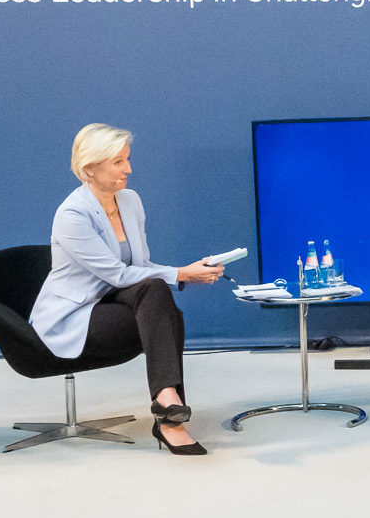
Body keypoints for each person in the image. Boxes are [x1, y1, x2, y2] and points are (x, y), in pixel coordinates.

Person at [32, 123, 228, 456]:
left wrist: (183, 273)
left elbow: (142, 265)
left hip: (115, 297)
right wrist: (183, 274)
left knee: (156, 291)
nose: (129, 169)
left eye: (127, 159)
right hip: (77, 312)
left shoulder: (130, 201)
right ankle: (170, 419)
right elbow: (117, 273)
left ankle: (168, 404)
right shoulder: (72, 214)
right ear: (89, 169)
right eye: (119, 162)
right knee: (167, 315)